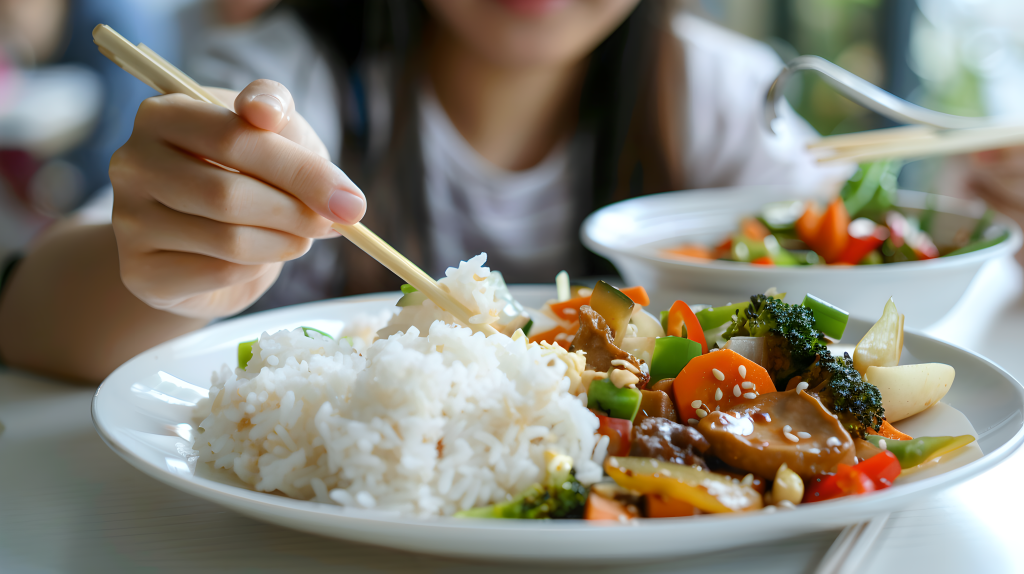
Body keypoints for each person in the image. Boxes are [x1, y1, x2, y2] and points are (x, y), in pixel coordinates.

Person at [0, 0, 870, 382]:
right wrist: (168, 265)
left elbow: (865, 284)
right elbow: (32, 317)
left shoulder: (725, 98)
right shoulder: (284, 81)